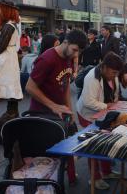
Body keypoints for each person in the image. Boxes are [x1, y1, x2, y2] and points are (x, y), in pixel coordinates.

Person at [26, 30, 87, 185]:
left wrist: (69, 109)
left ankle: (69, 176)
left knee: (70, 144)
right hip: (42, 114)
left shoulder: (67, 58)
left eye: (78, 52)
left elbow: (65, 86)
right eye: (74, 50)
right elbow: (30, 87)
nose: (75, 55)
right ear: (65, 42)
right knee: (49, 157)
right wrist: (53, 106)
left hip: (60, 112)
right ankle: (47, 184)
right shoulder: (47, 59)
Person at [76, 52, 123, 190]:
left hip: (105, 114)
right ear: (105, 67)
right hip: (88, 114)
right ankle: (94, 178)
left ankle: (107, 171)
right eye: (113, 72)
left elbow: (115, 94)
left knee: (106, 142)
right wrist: (106, 106)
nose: (115, 75)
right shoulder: (92, 77)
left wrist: (114, 104)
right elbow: (88, 101)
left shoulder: (112, 76)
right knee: (94, 145)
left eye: (117, 73)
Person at [0, 0, 23, 121]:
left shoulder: (9, 26)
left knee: (9, 84)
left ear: (6, 10)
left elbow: (1, 44)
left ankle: (12, 112)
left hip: (6, 58)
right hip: (10, 57)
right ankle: (12, 111)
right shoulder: (12, 25)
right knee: (11, 85)